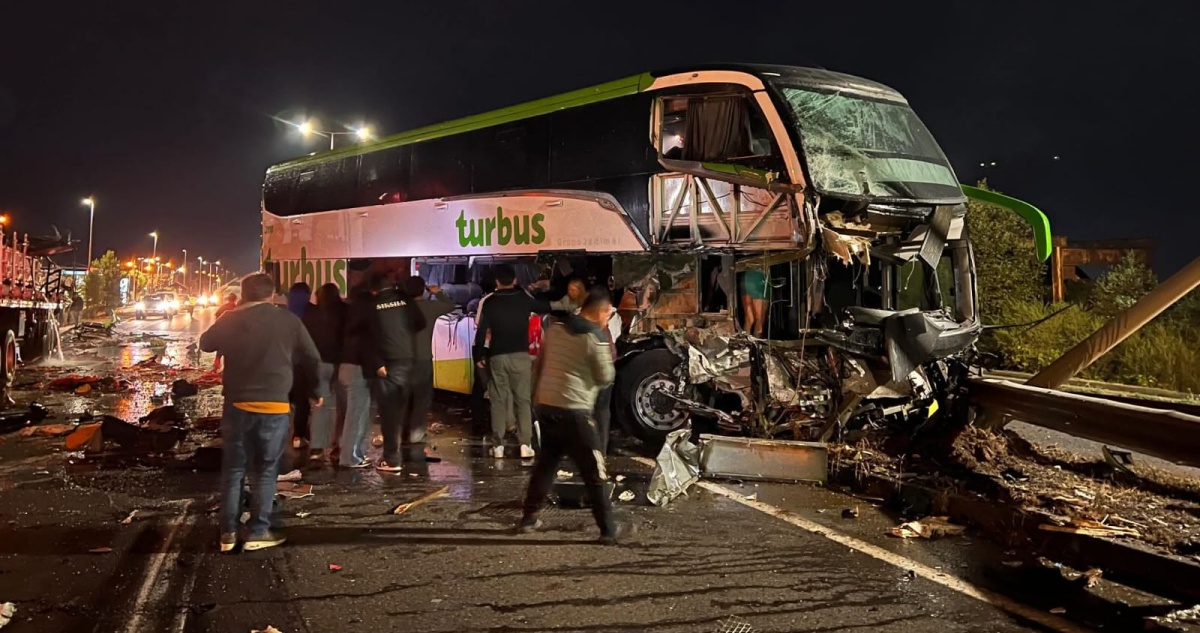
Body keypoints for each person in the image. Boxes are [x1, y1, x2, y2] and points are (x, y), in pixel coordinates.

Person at [198, 273, 324, 552]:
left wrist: (230, 320)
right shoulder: (288, 320)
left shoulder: (231, 318)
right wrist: (316, 391)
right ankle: (258, 531)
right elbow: (311, 357)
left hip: (237, 406)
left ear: (244, 294)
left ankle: (227, 534)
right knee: (264, 472)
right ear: (272, 294)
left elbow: (205, 343)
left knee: (233, 471)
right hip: (274, 406)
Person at [517, 285, 621, 543]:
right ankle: (608, 530)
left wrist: (537, 399)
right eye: (608, 314)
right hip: (575, 412)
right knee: (595, 471)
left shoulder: (555, 330)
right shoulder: (594, 336)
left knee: (546, 466)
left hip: (547, 407)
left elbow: (538, 366)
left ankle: (528, 518)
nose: (608, 319)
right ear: (600, 312)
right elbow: (605, 376)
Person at [473, 264, 551, 459]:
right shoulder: (523, 299)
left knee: (498, 400)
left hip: (497, 356)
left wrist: (479, 355)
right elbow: (544, 307)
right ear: (515, 280)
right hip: (520, 356)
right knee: (523, 400)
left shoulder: (490, 302)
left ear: (497, 281)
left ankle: (498, 446)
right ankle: (525, 444)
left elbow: (481, 331)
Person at [362, 271, 426, 473]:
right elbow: (420, 323)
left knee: (389, 413)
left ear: (374, 290)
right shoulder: (405, 300)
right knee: (401, 407)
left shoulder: (372, 306)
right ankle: (401, 450)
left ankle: (391, 458)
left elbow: (368, 337)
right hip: (408, 360)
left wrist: (377, 363)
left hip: (387, 365)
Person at [402, 276, 455, 460]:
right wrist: (438, 293)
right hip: (423, 360)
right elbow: (450, 306)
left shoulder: (400, 308)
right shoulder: (430, 307)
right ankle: (415, 435)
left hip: (402, 361)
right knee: (421, 399)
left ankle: (403, 434)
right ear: (423, 290)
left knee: (404, 399)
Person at [304, 283, 346, 467]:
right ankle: (338, 446)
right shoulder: (346, 312)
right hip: (342, 363)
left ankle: (317, 448)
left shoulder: (311, 314)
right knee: (343, 408)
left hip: (320, 363)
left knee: (320, 406)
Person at [336, 283, 375, 469]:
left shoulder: (348, 319)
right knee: (356, 416)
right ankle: (349, 457)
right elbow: (367, 352)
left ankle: (354, 454)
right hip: (358, 372)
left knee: (354, 414)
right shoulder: (366, 326)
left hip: (344, 368)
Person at [285, 283, 314, 447]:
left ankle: (281, 433)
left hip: (283, 364)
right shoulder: (313, 312)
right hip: (303, 364)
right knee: (302, 401)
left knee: (285, 399)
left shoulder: (283, 315)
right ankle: (299, 435)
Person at [212, 293, 239, 371]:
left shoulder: (223, 307)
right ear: (235, 299)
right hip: (233, 332)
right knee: (231, 349)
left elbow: (217, 316)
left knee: (220, 347)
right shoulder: (237, 307)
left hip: (223, 330)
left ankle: (217, 362)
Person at [739, 268, 768, 337]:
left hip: (746, 275)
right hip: (760, 275)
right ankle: (755, 345)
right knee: (759, 320)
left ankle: (745, 345)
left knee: (749, 319)